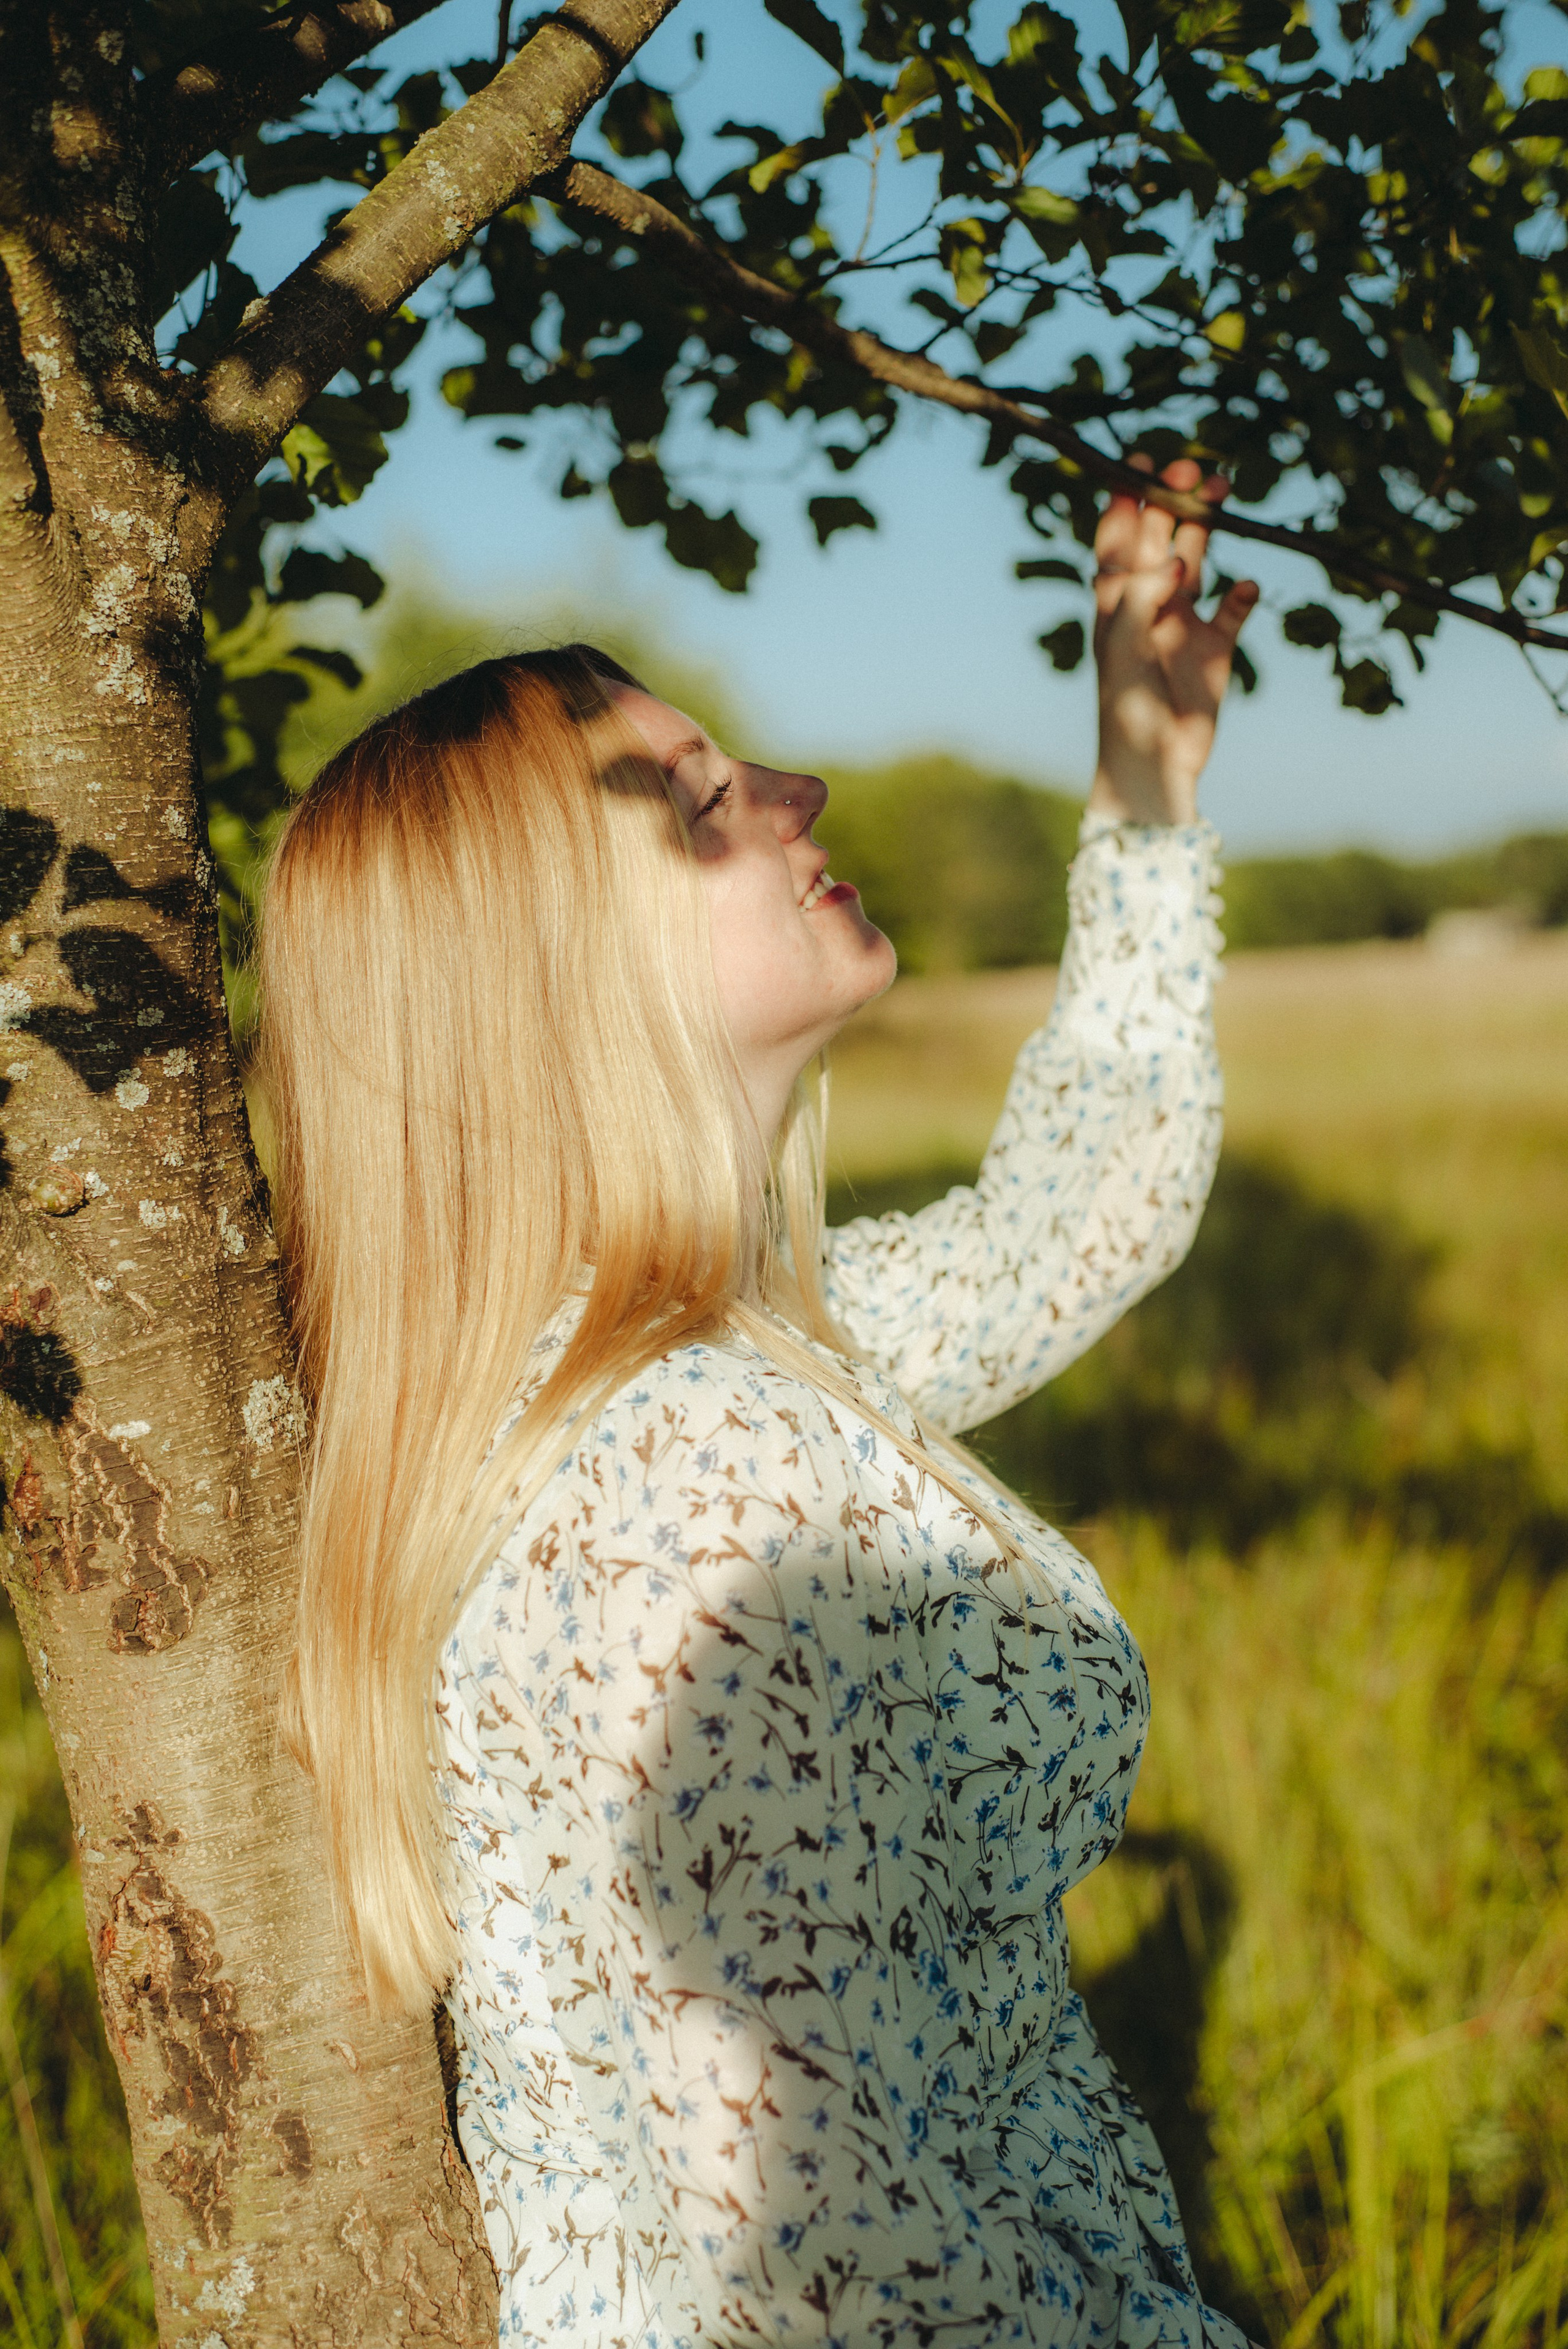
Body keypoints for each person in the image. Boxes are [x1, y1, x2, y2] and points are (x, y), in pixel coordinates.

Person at [260, 457, 1260, 2348]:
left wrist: (1145, 782)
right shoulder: (694, 1472)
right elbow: (834, 2258)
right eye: (709, 805)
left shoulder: (678, 1367)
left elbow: (1080, 1209)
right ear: (556, 980)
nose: (798, 795)